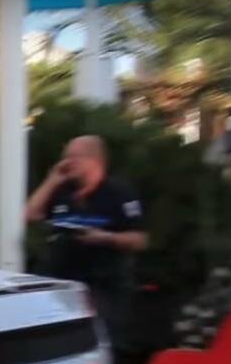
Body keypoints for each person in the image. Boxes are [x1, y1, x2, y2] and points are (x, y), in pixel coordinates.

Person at [25, 135, 147, 345]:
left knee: (96, 343)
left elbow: (139, 239)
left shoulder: (118, 193)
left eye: (73, 157)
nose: (65, 163)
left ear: (94, 160)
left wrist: (105, 237)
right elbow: (29, 214)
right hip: (62, 282)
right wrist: (52, 180)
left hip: (103, 284)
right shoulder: (62, 191)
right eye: (64, 158)